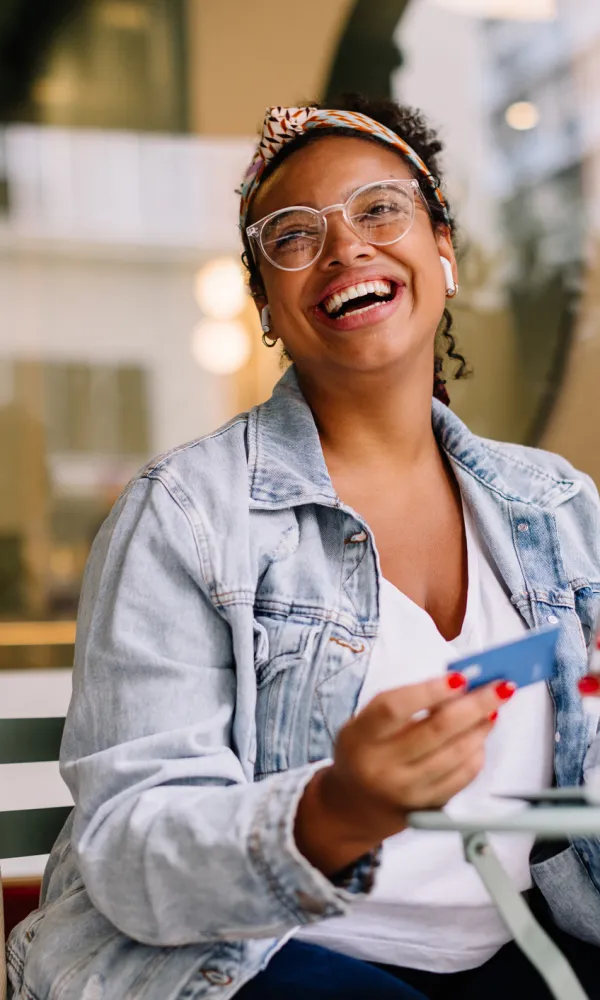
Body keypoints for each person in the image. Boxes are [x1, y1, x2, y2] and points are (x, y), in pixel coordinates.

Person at [7, 95, 600, 1000]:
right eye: (292, 235)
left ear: (444, 250)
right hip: (245, 961)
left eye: (379, 209)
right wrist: (335, 811)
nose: (345, 247)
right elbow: (132, 850)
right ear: (267, 308)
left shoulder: (557, 506)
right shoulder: (183, 515)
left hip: (519, 943)